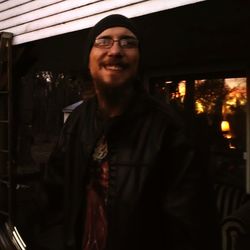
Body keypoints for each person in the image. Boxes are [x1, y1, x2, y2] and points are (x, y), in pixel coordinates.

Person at [39, 14, 221, 250]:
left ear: (139, 60)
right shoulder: (77, 122)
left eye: (128, 42)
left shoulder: (171, 130)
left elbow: (194, 229)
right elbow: (53, 198)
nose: (115, 50)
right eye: (104, 41)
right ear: (89, 59)